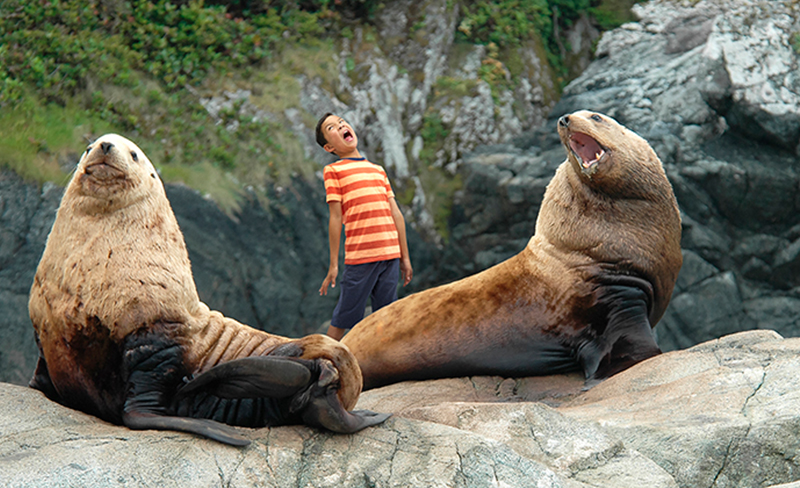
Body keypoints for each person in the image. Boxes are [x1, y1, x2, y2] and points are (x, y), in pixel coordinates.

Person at [316, 113, 412, 341]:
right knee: (343, 318)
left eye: (341, 122)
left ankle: (384, 368)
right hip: (361, 258)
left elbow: (396, 214)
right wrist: (333, 264)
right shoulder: (334, 172)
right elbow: (335, 218)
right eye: (332, 128)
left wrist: (404, 257)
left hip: (390, 255)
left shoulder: (377, 170)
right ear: (329, 147)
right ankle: (321, 362)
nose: (340, 126)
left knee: (387, 318)